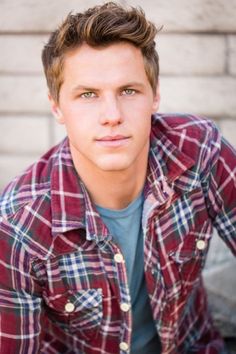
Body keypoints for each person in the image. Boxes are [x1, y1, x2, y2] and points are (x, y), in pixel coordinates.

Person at [0, 2, 235, 353]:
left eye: (128, 91)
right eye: (88, 95)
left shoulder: (198, 150)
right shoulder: (18, 225)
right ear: (56, 107)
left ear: (155, 96)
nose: (112, 115)